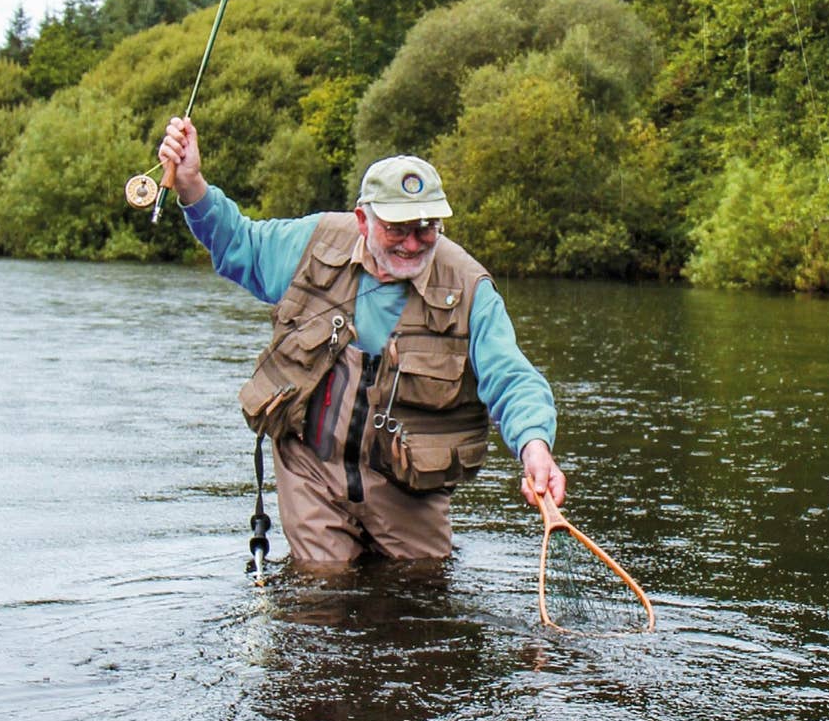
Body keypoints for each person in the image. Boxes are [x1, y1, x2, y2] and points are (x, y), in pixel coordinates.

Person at [157, 116, 566, 566]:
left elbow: (510, 377)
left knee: (419, 590)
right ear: (363, 220)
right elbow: (239, 244)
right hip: (311, 466)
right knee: (321, 591)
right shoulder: (314, 243)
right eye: (398, 228)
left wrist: (535, 446)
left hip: (408, 486)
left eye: (427, 226)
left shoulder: (469, 287)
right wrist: (191, 183)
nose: (413, 243)